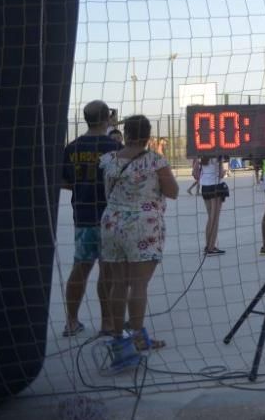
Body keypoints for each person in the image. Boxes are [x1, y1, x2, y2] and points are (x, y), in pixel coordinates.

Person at [98, 115, 179, 370]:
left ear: (126, 132)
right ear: (148, 135)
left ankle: (117, 337)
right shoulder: (155, 161)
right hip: (143, 227)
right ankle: (138, 336)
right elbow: (173, 192)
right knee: (139, 285)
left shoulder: (109, 160)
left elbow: (106, 192)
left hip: (112, 224)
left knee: (118, 283)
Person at [61, 100, 122, 337]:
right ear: (107, 118)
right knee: (107, 272)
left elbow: (64, 181)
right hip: (109, 217)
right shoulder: (114, 147)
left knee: (80, 268)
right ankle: (107, 323)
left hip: (83, 216)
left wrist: (82, 186)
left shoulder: (72, 147)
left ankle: (71, 321)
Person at [198, 156, 228, 255]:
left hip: (205, 188)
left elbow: (195, 174)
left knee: (210, 218)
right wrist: (223, 170)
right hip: (215, 186)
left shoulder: (200, 156)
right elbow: (220, 174)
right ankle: (211, 248)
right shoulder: (218, 155)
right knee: (215, 219)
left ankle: (208, 245)